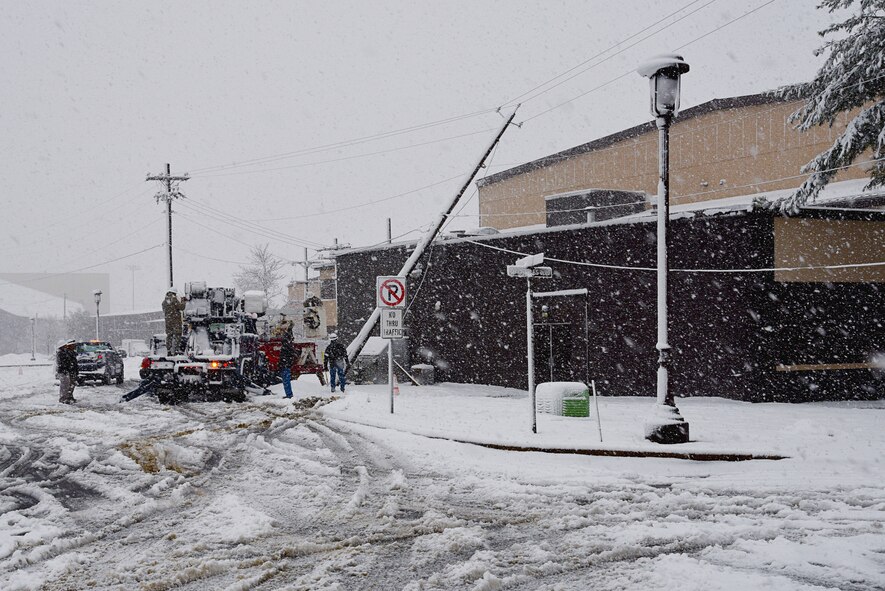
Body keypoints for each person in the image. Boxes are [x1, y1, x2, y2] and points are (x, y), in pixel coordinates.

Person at [162, 288, 186, 355]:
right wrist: (183, 300)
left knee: (169, 335)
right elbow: (182, 307)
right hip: (176, 321)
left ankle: (169, 350)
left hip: (168, 321)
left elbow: (165, 310)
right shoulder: (174, 299)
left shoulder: (164, 302)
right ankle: (176, 350)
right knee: (178, 335)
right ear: (174, 293)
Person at [56, 339, 79, 404]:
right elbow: (64, 363)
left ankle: (69, 397)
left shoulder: (68, 352)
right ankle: (64, 398)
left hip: (69, 370)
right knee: (65, 385)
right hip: (65, 371)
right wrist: (67, 368)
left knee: (70, 385)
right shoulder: (62, 353)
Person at [278, 323, 296, 399]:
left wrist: (282, 363)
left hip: (285, 365)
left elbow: (284, 356)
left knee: (286, 381)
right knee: (286, 380)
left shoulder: (285, 347)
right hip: (286, 364)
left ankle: (289, 394)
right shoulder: (289, 347)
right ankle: (289, 394)